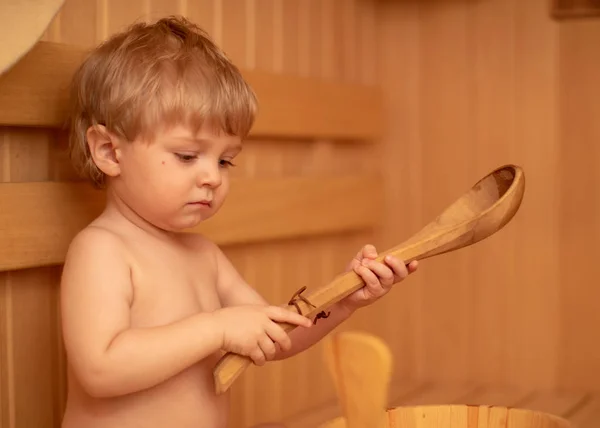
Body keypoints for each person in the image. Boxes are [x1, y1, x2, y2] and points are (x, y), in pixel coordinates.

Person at [59, 15, 418, 428]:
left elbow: (275, 333)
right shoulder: (102, 249)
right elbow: (101, 369)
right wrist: (218, 328)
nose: (212, 176)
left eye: (225, 160)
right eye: (188, 156)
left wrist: (344, 299)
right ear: (108, 151)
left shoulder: (203, 255)